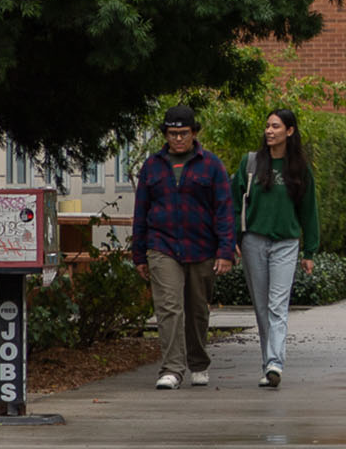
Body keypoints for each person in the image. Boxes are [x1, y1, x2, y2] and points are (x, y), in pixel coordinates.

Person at [131, 105, 236, 390]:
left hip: (202, 246)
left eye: (183, 133)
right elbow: (140, 212)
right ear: (165, 134)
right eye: (172, 133)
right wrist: (139, 253)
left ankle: (198, 362)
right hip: (162, 245)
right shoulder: (152, 166)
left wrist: (226, 251)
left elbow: (225, 211)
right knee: (169, 308)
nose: (178, 139)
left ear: (194, 133)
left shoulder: (212, 165)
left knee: (197, 310)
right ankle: (172, 369)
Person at [235, 108, 319, 389]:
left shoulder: (300, 168)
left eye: (276, 126)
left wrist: (310, 252)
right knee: (261, 307)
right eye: (267, 126)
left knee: (277, 305)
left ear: (290, 131)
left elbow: (309, 211)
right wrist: (232, 241)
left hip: (286, 243)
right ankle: (267, 364)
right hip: (253, 241)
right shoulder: (251, 164)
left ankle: (275, 363)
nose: (269, 131)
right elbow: (235, 203)